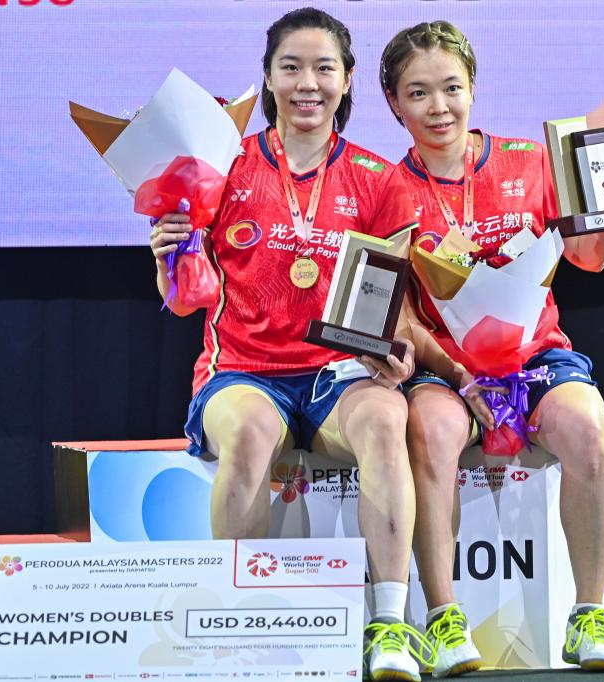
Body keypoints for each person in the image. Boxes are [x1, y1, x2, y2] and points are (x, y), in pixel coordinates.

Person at [149, 8, 429, 681]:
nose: (308, 83)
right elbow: (186, 299)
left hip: (338, 374)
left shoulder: (378, 178)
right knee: (248, 434)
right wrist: (166, 257)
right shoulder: (222, 168)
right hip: (244, 371)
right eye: (291, 67)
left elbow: (394, 308)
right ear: (269, 78)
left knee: (387, 418)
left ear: (347, 79)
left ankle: (390, 626)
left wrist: (394, 350)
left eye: (324, 68)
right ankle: (237, 627)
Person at [378, 21, 604, 675]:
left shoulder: (530, 161)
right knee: (431, 431)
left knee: (586, 426)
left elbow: (588, 258)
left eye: (451, 88)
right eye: (418, 93)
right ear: (393, 103)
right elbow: (399, 315)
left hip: (536, 355)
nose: (438, 107)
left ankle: (589, 613)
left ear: (472, 88)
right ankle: (443, 619)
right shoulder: (386, 190)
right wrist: (458, 374)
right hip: (447, 366)